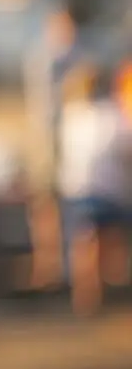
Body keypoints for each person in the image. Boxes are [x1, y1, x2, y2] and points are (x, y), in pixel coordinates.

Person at [55, 62, 132, 316]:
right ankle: (109, 289)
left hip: (78, 191)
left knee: (84, 245)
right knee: (111, 241)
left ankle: (86, 296)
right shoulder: (113, 116)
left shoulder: (71, 116)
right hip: (109, 193)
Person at [25, 7, 82, 286]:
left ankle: (69, 266)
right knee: (46, 202)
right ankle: (49, 265)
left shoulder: (76, 56)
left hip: (73, 139)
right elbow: (47, 103)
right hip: (50, 138)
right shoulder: (47, 58)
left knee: (70, 203)